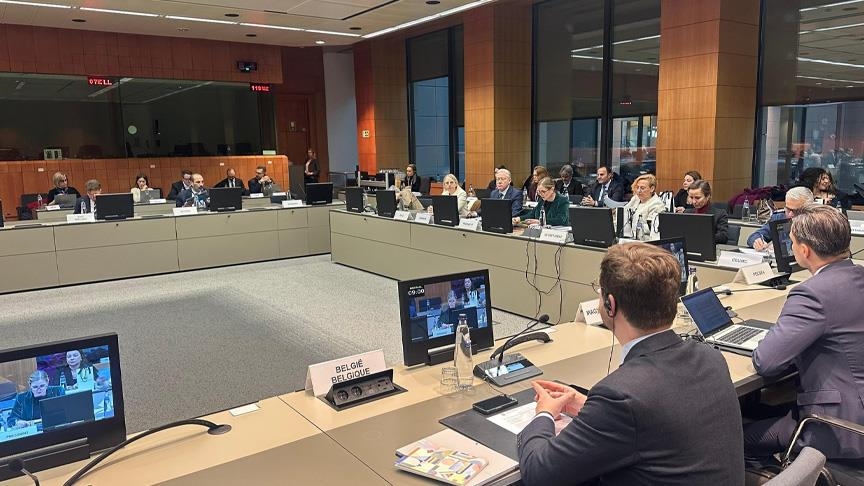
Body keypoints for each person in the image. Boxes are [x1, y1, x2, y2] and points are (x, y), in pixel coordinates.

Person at [517, 243, 744, 485]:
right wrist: (588, 408)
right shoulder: (710, 357)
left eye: (599, 291)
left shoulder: (620, 395)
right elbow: (659, 414)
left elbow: (539, 472)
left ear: (610, 304)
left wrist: (544, 413)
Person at [745, 204, 864, 460]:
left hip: (841, 428)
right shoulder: (858, 276)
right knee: (761, 409)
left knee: (737, 437)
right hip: (854, 405)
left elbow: (766, 362)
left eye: (792, 241)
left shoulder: (812, 294)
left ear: (804, 250)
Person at [747, 186, 814, 250]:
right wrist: (757, 241)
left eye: (796, 211)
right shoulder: (779, 218)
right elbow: (754, 236)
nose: (790, 214)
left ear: (810, 209)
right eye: (788, 209)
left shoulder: (817, 224)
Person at [622, 174, 665, 240]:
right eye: (637, 187)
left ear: (652, 189)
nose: (638, 191)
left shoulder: (657, 205)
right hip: (630, 236)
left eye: (642, 188)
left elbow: (651, 228)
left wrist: (633, 225)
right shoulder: (636, 198)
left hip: (646, 240)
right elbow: (624, 212)